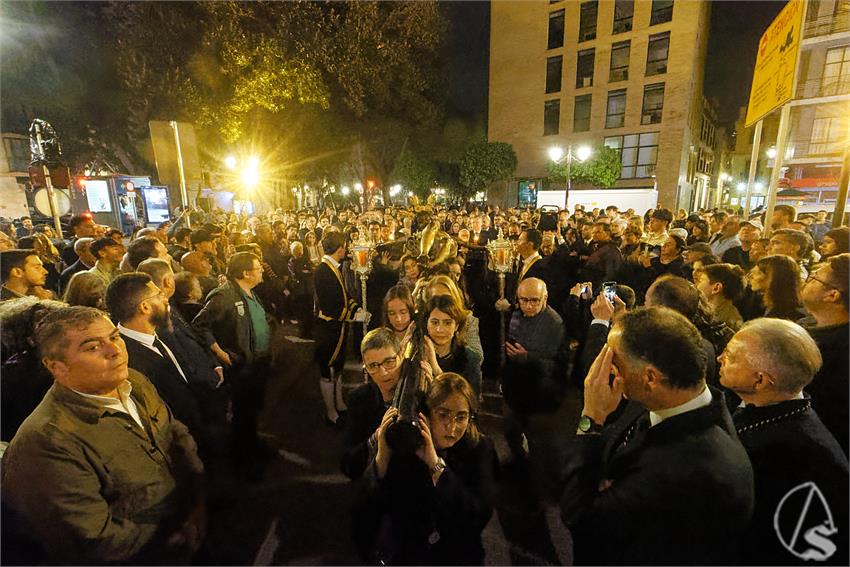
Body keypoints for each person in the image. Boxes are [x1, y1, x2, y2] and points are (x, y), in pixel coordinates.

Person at [1, 306, 205, 564]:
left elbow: (174, 431)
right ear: (57, 367)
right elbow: (95, 540)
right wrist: (174, 535)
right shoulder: (49, 441)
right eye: (92, 347)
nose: (115, 350)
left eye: (115, 337)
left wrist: (196, 493)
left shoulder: (133, 381)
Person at [560, 306, 754, 565]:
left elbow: (580, 517)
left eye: (613, 361)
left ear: (650, 377)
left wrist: (591, 418)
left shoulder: (688, 469)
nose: (607, 371)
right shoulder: (674, 403)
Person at [719, 319, 848, 565]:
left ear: (760, 381)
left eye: (731, 356)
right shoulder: (764, 411)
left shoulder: (799, 454)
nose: (720, 359)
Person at [355, 372, 498, 564]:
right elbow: (370, 508)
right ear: (427, 414)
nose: (452, 427)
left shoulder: (481, 449)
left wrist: (435, 465)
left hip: (457, 555)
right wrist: (382, 456)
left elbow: (477, 517)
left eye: (461, 417)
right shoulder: (407, 445)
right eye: (443, 415)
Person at [192, 252, 274, 476]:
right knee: (242, 412)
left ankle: (253, 444)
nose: (261, 272)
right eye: (258, 268)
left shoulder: (250, 292)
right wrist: (222, 354)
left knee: (253, 409)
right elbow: (199, 325)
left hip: (257, 364)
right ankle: (244, 461)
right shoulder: (224, 296)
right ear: (245, 273)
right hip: (242, 367)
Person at [105, 272, 207, 448]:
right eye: (159, 295)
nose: (165, 298)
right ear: (145, 307)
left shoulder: (161, 331)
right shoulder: (125, 359)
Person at [502, 278, 567, 459]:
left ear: (545, 298)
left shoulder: (554, 324)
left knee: (537, 441)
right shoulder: (516, 314)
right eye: (523, 300)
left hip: (539, 394)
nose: (528, 306)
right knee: (511, 432)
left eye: (534, 301)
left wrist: (528, 357)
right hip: (516, 390)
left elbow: (558, 365)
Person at [800, 253, 849, 454]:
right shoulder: (808, 324)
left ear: (832, 295)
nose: (806, 280)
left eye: (813, 278)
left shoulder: (838, 351)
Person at [342, 328, 406, 481]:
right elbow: (349, 465)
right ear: (365, 368)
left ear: (401, 356)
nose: (383, 372)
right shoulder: (358, 400)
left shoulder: (417, 395)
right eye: (373, 366)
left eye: (389, 362)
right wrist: (376, 438)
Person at [314, 232, 363, 426]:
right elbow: (330, 305)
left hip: (338, 327)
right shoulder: (323, 271)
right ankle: (330, 411)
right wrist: (352, 315)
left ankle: (339, 402)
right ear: (339, 248)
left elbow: (343, 295)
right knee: (328, 368)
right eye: (344, 246)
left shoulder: (333, 268)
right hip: (328, 328)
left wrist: (355, 307)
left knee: (339, 365)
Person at [422, 295, 483, 395]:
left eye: (447, 323)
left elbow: (469, 401)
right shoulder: (417, 356)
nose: (440, 329)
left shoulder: (470, 358)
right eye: (434, 322)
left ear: (456, 326)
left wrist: (437, 370)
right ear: (427, 324)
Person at [748, 255, 807, 321]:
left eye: (758, 273)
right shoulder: (768, 303)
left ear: (775, 278)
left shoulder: (785, 315)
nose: (751, 276)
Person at [695, 263, 745, 330]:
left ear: (716, 288)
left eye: (700, 281)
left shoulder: (728, 324)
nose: (695, 285)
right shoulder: (707, 311)